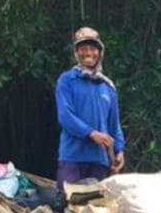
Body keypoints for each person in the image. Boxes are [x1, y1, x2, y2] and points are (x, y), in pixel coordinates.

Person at [54, 26, 126, 190]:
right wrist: (91, 133)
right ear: (76, 52)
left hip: (99, 159)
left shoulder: (107, 87)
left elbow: (114, 124)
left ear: (100, 52)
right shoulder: (66, 80)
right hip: (72, 156)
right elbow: (65, 116)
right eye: (83, 48)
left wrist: (119, 149)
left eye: (93, 48)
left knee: (97, 206)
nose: (88, 53)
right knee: (67, 202)